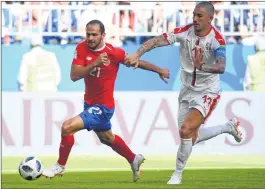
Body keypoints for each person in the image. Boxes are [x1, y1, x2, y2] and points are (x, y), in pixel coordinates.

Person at [125, 1, 242, 185]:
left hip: (207, 92)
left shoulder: (217, 40)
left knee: (186, 130)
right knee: (190, 136)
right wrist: (138, 54)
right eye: (194, 15)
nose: (194, 19)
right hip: (186, 89)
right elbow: (156, 41)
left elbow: (221, 66)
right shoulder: (184, 32)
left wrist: (201, 66)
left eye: (199, 16)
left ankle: (177, 174)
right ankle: (227, 127)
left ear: (210, 18)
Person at [42, 19, 170, 182]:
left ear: (103, 35)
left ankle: (60, 165)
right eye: (88, 34)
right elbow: (74, 76)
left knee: (67, 127)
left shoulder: (113, 53)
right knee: (107, 138)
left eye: (94, 35)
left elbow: (135, 62)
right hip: (89, 103)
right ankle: (133, 159)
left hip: (103, 107)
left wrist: (159, 70)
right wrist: (94, 64)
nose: (90, 38)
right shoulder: (81, 48)